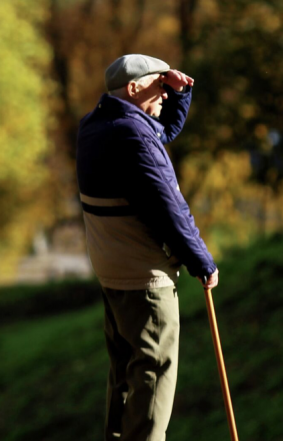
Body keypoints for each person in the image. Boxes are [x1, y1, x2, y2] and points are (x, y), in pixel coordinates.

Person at [76, 54, 219, 441]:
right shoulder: (131, 136)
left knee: (124, 375)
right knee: (154, 374)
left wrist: (181, 91)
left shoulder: (96, 125)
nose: (164, 96)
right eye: (160, 87)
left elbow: (162, 130)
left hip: (113, 273)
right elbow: (167, 208)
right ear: (135, 88)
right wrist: (201, 260)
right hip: (145, 279)